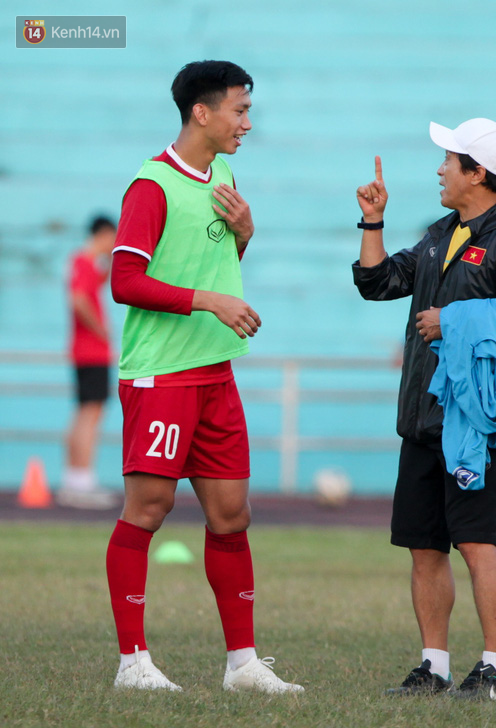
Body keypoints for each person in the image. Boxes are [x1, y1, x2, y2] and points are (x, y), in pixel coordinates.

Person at [107, 60, 303, 694]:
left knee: (231, 514)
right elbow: (125, 282)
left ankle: (242, 664)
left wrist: (245, 235)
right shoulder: (151, 186)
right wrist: (210, 301)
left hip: (215, 375)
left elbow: (213, 258)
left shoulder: (222, 174)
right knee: (149, 509)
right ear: (203, 112)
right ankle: (132, 662)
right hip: (160, 376)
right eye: (240, 110)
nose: (247, 122)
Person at [353, 118, 496, 701]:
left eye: (449, 160)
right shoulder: (442, 231)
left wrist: (454, 320)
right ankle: (434, 666)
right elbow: (379, 282)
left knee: (475, 540)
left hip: (472, 422)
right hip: (422, 418)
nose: (439, 169)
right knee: (424, 545)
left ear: (479, 172)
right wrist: (373, 220)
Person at [59, 216, 118, 510]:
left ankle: (74, 478)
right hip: (92, 351)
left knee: (84, 413)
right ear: (104, 234)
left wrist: (108, 258)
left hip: (84, 352)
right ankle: (82, 480)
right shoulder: (83, 262)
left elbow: (100, 283)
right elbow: (78, 300)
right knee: (91, 414)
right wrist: (101, 330)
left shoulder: (83, 263)